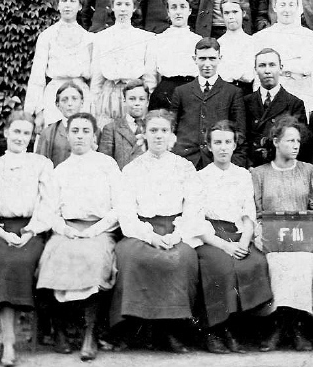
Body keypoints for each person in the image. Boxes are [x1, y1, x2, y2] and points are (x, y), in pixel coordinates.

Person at [110, 109, 203, 353]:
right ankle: (136, 329)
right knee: (131, 257)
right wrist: (150, 236)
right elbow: (126, 213)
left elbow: (193, 208)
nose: (159, 135)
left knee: (181, 258)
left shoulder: (184, 167)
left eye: (164, 130)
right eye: (153, 130)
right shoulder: (132, 169)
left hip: (176, 230)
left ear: (172, 135)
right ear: (144, 133)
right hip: (141, 231)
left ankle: (170, 330)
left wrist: (176, 235)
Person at [0, 111, 53, 367]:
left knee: (17, 263)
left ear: (31, 137)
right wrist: (3, 233)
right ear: (6, 132)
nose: (20, 137)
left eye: (26, 133)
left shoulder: (41, 165)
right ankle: (9, 342)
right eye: (16, 131)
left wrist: (30, 231)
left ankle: (4, 342)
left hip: (31, 231)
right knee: (2, 263)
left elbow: (48, 205)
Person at [37, 112, 122, 361]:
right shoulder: (60, 171)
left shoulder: (107, 165)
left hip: (100, 229)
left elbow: (119, 207)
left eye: (86, 131)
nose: (80, 136)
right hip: (67, 230)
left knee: (95, 259)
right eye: (75, 131)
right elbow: (50, 211)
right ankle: (60, 331)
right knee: (52, 257)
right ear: (68, 135)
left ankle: (89, 333)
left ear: (94, 136)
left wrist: (95, 230)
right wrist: (65, 230)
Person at [195, 121, 273, 353]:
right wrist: (224, 246)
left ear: (234, 145)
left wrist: (244, 241)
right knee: (221, 266)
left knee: (256, 262)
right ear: (209, 146)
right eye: (217, 142)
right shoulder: (200, 177)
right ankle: (215, 329)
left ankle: (238, 327)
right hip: (211, 236)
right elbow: (196, 219)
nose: (223, 147)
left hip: (238, 234)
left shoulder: (243, 175)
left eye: (228, 142)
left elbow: (249, 213)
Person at [251, 116, 313, 352]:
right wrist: (259, 234)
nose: (295, 145)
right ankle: (278, 325)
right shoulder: (259, 173)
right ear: (276, 142)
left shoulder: (308, 171)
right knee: (277, 262)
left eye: (298, 141)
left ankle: (296, 326)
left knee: (304, 262)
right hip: (271, 238)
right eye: (290, 140)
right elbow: (256, 212)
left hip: (302, 238)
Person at [252, 0, 313, 116]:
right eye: (282, 5)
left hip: (305, 102)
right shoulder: (261, 38)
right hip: (272, 104)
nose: (287, 10)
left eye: (291, 5)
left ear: (298, 7)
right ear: (274, 7)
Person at [24, 0, 92, 132]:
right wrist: (38, 111)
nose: (68, 5)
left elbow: (94, 77)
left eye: (73, 1)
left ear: (80, 6)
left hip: (81, 97)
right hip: (54, 96)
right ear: (58, 5)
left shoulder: (89, 38)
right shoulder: (47, 36)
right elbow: (37, 76)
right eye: (64, 0)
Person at [170, 38, 247, 169]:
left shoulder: (232, 92)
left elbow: (240, 134)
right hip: (185, 161)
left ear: (220, 59)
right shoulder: (181, 92)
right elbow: (171, 129)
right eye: (202, 58)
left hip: (218, 162)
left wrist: (233, 164)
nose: (207, 64)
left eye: (212, 58)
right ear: (195, 59)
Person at [90, 0, 152, 129]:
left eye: (127, 4)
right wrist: (94, 100)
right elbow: (97, 76)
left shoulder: (145, 38)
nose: (123, 9)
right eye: (118, 4)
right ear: (112, 7)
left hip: (135, 94)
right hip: (109, 94)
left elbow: (149, 76)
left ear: (134, 8)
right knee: (108, 132)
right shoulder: (101, 38)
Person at [243, 48, 307, 167]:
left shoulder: (294, 104)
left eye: (272, 65)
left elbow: (300, 144)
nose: (267, 71)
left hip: (281, 167)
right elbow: (241, 139)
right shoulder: (245, 102)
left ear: (281, 68)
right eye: (262, 65)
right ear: (255, 70)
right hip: (252, 167)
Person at [143, 0, 202, 110]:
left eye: (183, 7)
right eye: (174, 7)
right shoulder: (157, 40)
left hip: (192, 93)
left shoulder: (198, 41)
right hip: (165, 93)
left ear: (190, 10)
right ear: (168, 12)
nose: (178, 12)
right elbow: (150, 76)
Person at [97, 79, 150, 170]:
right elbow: (105, 164)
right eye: (132, 99)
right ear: (124, 101)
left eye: (141, 99)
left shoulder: (153, 128)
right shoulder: (111, 129)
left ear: (147, 102)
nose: (137, 103)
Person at [35, 81, 85, 167]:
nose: (69, 103)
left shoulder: (94, 131)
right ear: (57, 105)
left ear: (82, 102)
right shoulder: (47, 133)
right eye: (64, 100)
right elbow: (39, 166)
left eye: (74, 99)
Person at [216, 0, 256, 95]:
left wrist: (230, 72)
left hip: (246, 93)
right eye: (226, 13)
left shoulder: (252, 42)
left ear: (243, 13)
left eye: (235, 12)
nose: (231, 17)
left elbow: (249, 76)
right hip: (224, 94)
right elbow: (220, 75)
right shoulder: (219, 44)